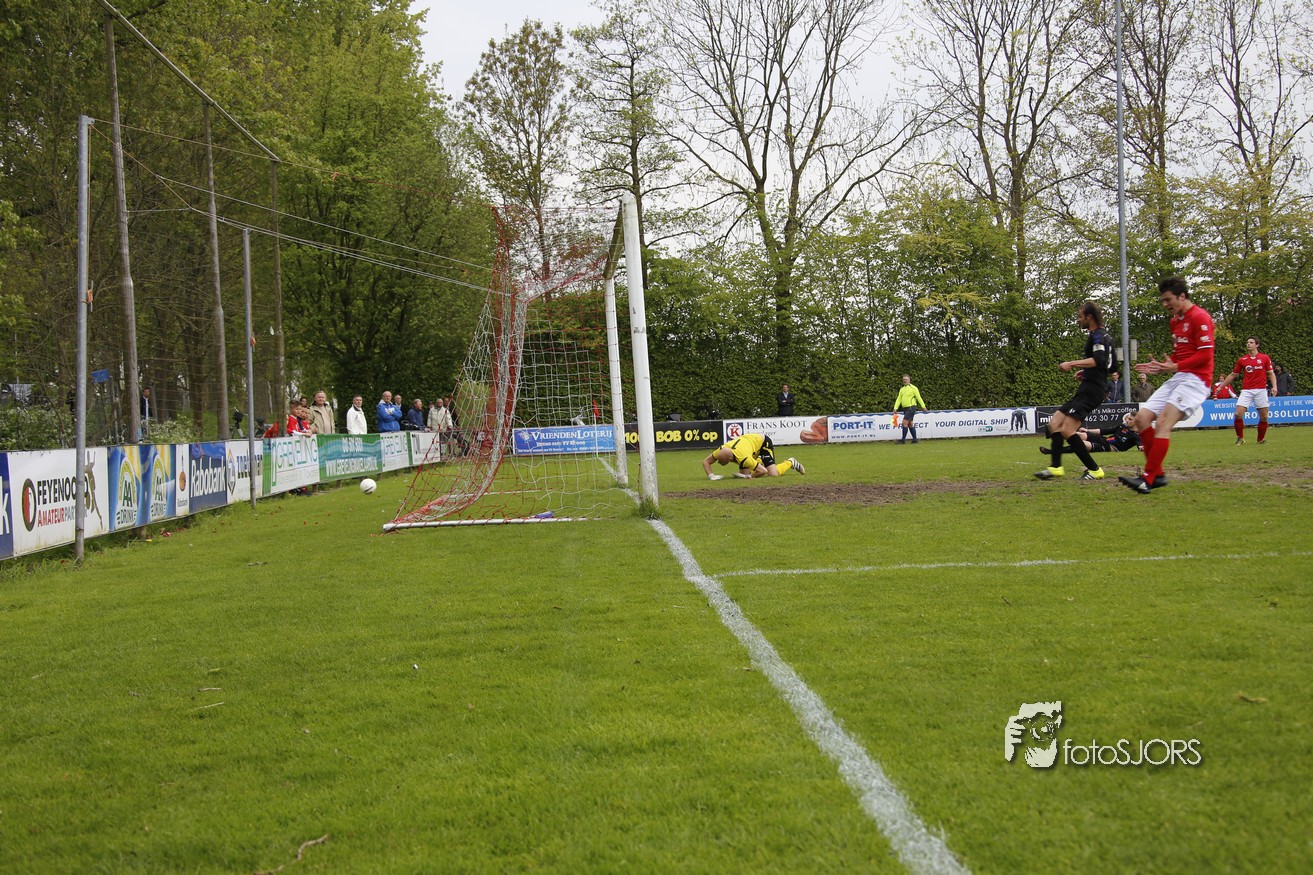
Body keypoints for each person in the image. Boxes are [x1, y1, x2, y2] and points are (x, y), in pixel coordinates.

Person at [1119, 276, 1215, 494]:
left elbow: (1205, 356)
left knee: (1163, 423)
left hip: (1197, 380)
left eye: (1168, 299)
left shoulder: (1200, 317)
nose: (1165, 304)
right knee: (1141, 419)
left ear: (1182, 296)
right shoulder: (1175, 321)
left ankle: (1147, 478)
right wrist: (1162, 366)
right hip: (1179, 377)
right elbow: (1178, 356)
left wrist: (1175, 366)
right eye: (1162, 300)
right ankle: (1158, 474)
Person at [1035, 301, 1116, 481]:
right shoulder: (1105, 336)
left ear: (1089, 317)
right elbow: (1111, 367)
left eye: (1080, 316)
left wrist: (1072, 364)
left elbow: (1099, 360)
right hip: (1088, 386)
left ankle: (1095, 470)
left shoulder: (1098, 336)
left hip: (1092, 391)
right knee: (1055, 424)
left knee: (1067, 430)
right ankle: (1056, 467)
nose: (1078, 320)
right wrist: (1086, 373)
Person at [1214, 335, 1277, 445]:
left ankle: (1260, 439)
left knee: (1264, 417)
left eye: (1251, 342)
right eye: (1248, 342)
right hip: (1247, 390)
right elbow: (1233, 375)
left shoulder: (1264, 358)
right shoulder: (1242, 360)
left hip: (1261, 390)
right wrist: (1221, 386)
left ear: (1257, 345)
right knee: (1238, 414)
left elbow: (1271, 373)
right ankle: (1240, 438)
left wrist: (1274, 386)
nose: (1248, 344)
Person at [702, 433, 805, 480]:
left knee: (773, 474)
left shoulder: (744, 458)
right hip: (748, 446)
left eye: (722, 462)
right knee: (743, 475)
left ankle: (791, 462)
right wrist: (711, 476)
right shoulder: (721, 449)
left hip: (763, 443)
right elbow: (706, 462)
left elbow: (763, 471)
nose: (719, 463)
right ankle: (758, 461)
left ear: (730, 459)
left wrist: (751, 477)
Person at [1041, 414, 1140, 455]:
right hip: (1104, 440)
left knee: (1081, 444)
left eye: (1130, 419)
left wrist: (1141, 447)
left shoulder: (1136, 435)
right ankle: (1054, 433)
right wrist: (1087, 430)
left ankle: (1052, 451)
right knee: (1079, 434)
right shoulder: (1122, 426)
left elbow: (1141, 446)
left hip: (1109, 447)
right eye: (1127, 418)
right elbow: (1104, 431)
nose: (1127, 420)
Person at [892, 375, 928, 444]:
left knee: (904, 423)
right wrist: (895, 408)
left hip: (911, 407)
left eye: (906, 379)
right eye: (903, 379)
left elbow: (918, 397)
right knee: (910, 424)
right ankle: (915, 440)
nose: (904, 380)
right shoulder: (902, 389)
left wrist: (923, 406)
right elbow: (899, 399)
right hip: (905, 408)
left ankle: (903, 440)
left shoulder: (914, 388)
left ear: (909, 380)